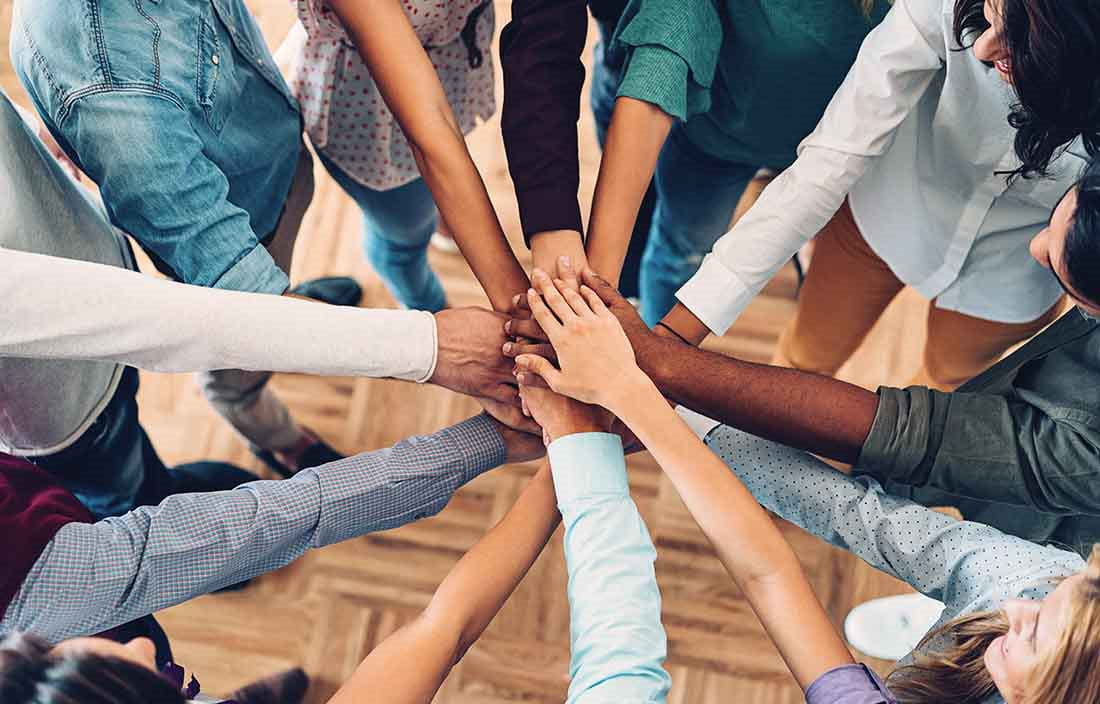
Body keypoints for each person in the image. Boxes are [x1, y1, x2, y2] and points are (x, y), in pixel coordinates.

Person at [515, 269, 1100, 703]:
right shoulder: (1030, 585)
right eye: (1057, 597)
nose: (1020, 606)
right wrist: (654, 402)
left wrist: (636, 399)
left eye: (1035, 633)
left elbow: (766, 579)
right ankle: (945, 631)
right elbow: (846, 520)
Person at [0, 89, 522, 522]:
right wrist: (425, 347)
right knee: (122, 482)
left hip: (96, 251)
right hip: (55, 398)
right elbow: (156, 320)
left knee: (262, 294)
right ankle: (181, 514)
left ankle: (290, 311)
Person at [653, 0, 1100, 390]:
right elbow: (826, 161)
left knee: (943, 389)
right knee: (802, 360)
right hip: (882, 217)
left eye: (1023, 38)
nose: (983, 49)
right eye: (992, 16)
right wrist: (673, 342)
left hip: (1013, 276)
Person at [9, 0, 363, 475]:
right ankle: (274, 436)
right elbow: (245, 289)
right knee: (240, 368)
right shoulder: (109, 86)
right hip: (239, 244)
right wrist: (424, 350)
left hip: (270, 171)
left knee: (280, 276)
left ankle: (291, 291)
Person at [575, 0, 890, 324]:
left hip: (833, 146)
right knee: (681, 254)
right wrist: (597, 289)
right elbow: (661, 51)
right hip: (714, 142)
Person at [277, 0, 497, 313]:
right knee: (401, 242)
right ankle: (427, 307)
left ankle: (440, 217)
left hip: (454, 63)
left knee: (431, 187)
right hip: (374, 109)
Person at [501, 0, 655, 299]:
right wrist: (554, 224)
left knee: (676, 230)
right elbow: (545, 38)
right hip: (622, 35)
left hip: (718, 111)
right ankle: (632, 289)